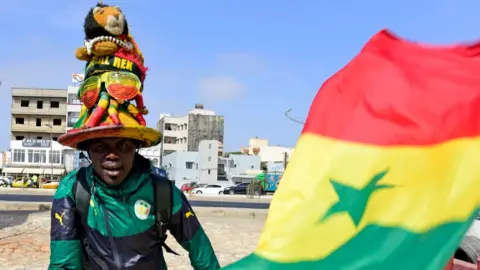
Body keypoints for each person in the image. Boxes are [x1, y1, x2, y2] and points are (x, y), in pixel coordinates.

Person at [49, 137, 220, 269]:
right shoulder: (73, 189)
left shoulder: (162, 191)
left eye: (124, 146)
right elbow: (64, 263)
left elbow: (201, 251)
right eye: (100, 147)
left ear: (135, 149)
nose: (112, 155)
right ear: (87, 151)